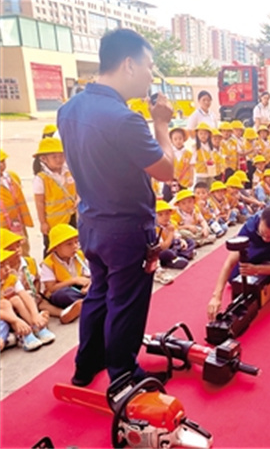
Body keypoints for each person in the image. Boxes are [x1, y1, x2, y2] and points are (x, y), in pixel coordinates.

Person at [57, 28, 175, 386]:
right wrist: (162, 123)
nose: (151, 75)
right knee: (126, 302)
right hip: (125, 228)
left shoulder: (69, 108)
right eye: (149, 66)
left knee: (99, 293)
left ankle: (86, 365)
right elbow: (167, 169)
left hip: (91, 221)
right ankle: (123, 374)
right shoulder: (126, 120)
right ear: (128, 64)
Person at [207, 205, 270, 320]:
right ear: (260, 221)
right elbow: (229, 263)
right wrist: (216, 296)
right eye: (263, 233)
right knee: (234, 278)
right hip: (257, 248)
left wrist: (257, 269)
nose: (266, 238)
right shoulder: (249, 227)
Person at [32, 138, 78, 257]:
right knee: (52, 248)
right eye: (54, 157)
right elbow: (39, 203)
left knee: (72, 245)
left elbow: (77, 190)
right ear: (43, 159)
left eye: (61, 156)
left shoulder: (69, 172)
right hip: (53, 222)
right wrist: (43, 222)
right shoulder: (41, 179)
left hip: (71, 218)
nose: (59, 160)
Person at [40, 224, 89, 323]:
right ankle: (86, 303)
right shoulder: (49, 263)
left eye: (76, 242)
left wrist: (88, 285)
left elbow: (89, 274)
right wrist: (73, 280)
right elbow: (51, 288)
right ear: (56, 247)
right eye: (69, 244)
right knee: (62, 295)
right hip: (62, 291)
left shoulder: (79, 255)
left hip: (81, 288)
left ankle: (85, 302)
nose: (75, 247)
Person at [0, 149, 34, 256]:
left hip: (17, 222)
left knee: (23, 248)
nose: (1, 165)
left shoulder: (11, 177)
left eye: (3, 161)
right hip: (2, 227)